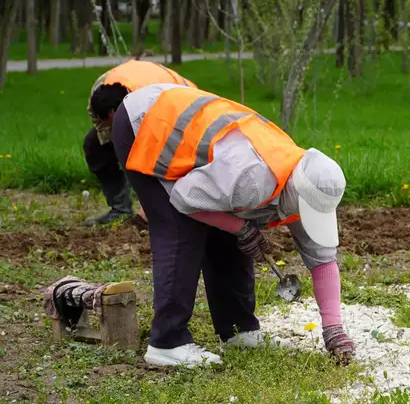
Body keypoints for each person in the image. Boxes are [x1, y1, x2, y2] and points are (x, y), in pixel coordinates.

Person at [111, 83, 355, 368]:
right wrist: (241, 227)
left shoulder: (310, 184)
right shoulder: (251, 180)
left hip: (207, 150)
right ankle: (167, 342)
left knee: (230, 222)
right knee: (182, 230)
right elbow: (184, 199)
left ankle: (238, 330)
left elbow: (322, 261)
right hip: (148, 123)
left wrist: (334, 328)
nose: (306, 218)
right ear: (293, 193)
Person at [82, 59, 197, 226]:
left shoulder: (154, 105)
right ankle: (120, 209)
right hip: (144, 97)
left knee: (165, 160)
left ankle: (173, 208)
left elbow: (157, 153)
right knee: (94, 145)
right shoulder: (99, 92)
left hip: (186, 106)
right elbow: (106, 131)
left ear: (114, 112)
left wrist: (148, 209)